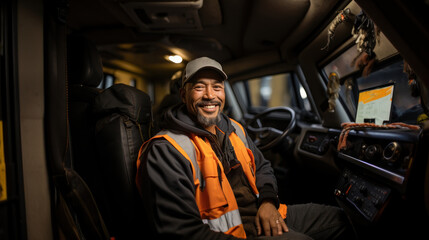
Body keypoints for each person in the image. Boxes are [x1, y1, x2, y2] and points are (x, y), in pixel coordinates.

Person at [136, 57, 353, 239]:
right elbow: (181, 232)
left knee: (342, 220)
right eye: (200, 87)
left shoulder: (234, 129)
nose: (210, 95)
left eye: (217, 87)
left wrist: (268, 202)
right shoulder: (167, 149)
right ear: (184, 95)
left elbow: (263, 166)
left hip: (262, 214)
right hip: (231, 234)